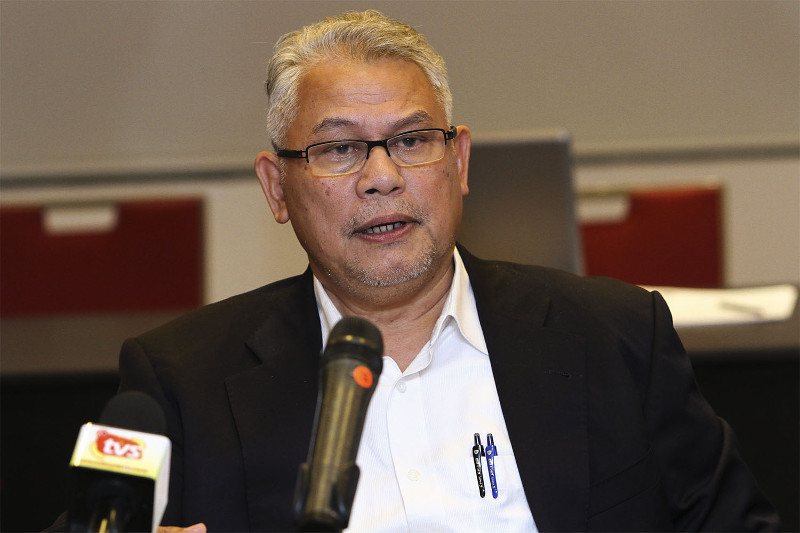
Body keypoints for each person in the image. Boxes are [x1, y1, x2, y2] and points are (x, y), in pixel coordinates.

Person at [110, 9, 778, 532]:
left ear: (459, 164)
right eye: (339, 148)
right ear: (276, 187)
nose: (382, 177)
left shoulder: (618, 338)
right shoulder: (180, 383)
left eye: (411, 140)